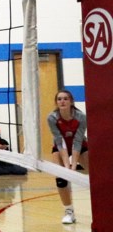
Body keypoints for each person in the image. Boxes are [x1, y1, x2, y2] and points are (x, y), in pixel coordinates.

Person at [48, 89, 88, 224]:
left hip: (80, 146)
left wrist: (74, 165)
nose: (62, 101)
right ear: (56, 102)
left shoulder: (81, 117)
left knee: (95, 176)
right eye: (59, 99)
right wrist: (66, 166)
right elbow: (59, 141)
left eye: (65, 98)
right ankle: (69, 212)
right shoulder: (52, 117)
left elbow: (77, 141)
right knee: (61, 179)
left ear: (71, 102)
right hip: (61, 147)